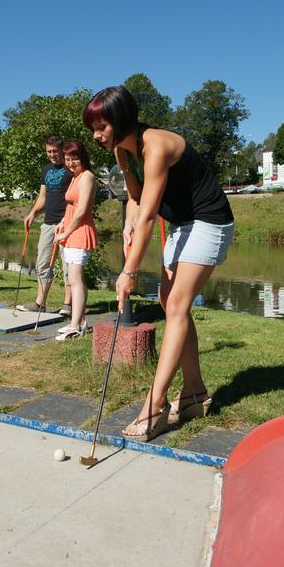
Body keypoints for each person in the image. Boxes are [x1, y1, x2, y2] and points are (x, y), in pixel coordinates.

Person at [85, 85, 234, 441]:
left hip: (209, 221)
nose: (95, 135)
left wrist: (129, 271)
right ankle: (196, 393)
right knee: (169, 304)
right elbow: (136, 201)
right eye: (92, 127)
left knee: (178, 306)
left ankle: (155, 406)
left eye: (101, 127)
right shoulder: (124, 152)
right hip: (184, 223)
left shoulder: (156, 146)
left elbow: (150, 217)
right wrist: (126, 223)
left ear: (120, 121)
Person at [18, 135, 72, 315]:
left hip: (67, 224)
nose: (52, 155)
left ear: (62, 150)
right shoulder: (46, 170)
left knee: (68, 265)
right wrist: (33, 213)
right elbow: (42, 197)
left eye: (55, 151)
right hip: (48, 223)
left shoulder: (71, 168)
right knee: (42, 264)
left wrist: (68, 221)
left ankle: (68, 305)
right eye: (48, 151)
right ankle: (40, 303)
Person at [52, 141, 98, 340]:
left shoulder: (87, 176)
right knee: (75, 279)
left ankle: (75, 325)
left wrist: (66, 232)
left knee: (75, 280)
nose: (70, 163)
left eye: (74, 159)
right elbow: (73, 206)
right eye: (67, 159)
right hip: (71, 230)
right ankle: (80, 321)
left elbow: (81, 211)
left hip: (79, 231)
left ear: (83, 157)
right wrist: (62, 222)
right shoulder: (76, 176)